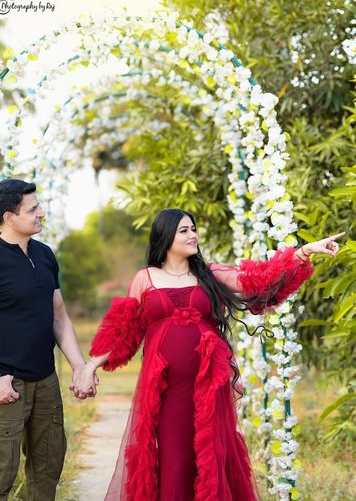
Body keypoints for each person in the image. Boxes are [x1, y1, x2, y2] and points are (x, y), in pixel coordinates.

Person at [76, 208, 344, 501]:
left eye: (194, 229)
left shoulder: (210, 273)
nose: (193, 235)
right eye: (184, 231)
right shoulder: (146, 278)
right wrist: (90, 367)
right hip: (167, 390)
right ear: (165, 237)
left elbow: (260, 280)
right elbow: (123, 330)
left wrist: (304, 252)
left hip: (208, 387)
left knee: (209, 460)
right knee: (174, 460)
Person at [0, 179, 97, 501]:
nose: (41, 213)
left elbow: (59, 316)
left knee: (48, 469)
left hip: (45, 380)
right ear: (9, 217)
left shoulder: (44, 255)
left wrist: (79, 367)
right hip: (5, 384)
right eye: (33, 209)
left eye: (39, 206)